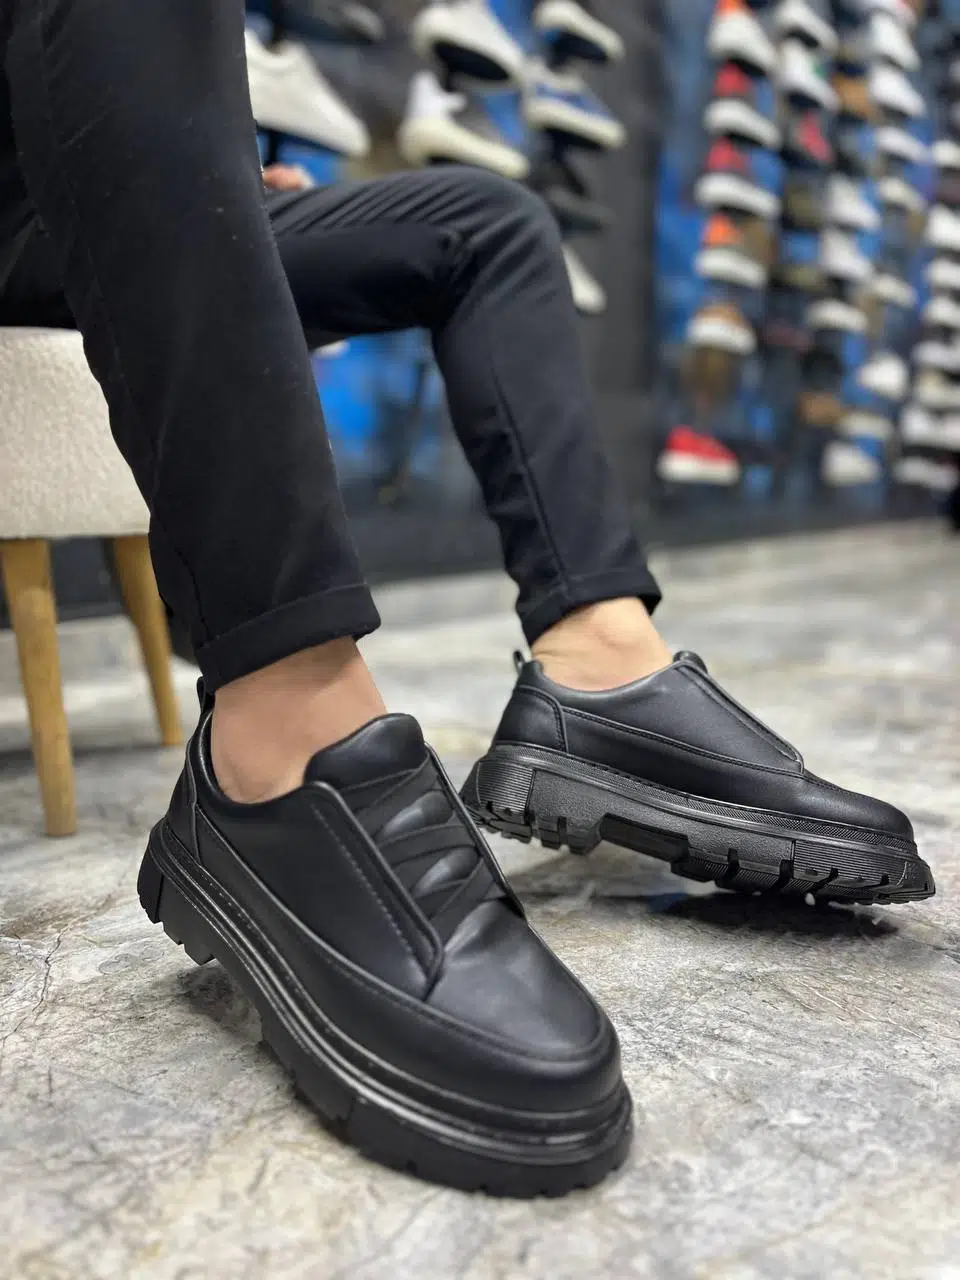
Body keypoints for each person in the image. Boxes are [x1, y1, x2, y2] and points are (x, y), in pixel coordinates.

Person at [0, 0, 933, 1197]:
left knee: (487, 223)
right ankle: (280, 739)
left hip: (82, 153)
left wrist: (197, 156)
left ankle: (602, 669)